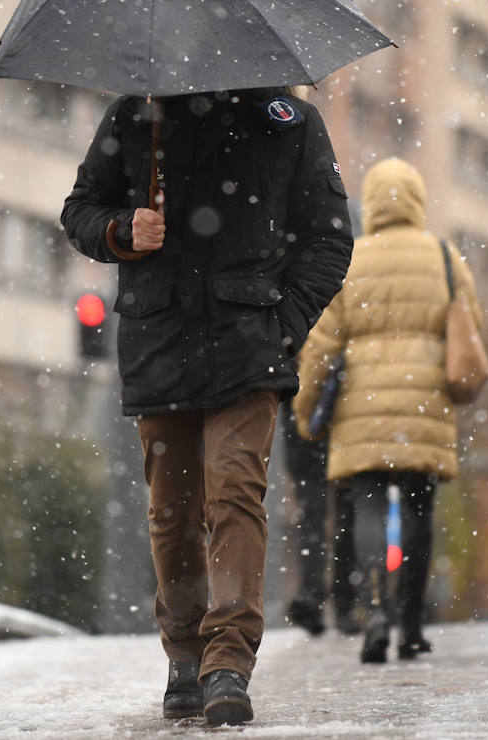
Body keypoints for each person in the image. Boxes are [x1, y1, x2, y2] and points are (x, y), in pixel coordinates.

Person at [60, 87, 353, 726]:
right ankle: (185, 656)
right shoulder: (137, 114)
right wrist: (120, 229)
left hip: (248, 348)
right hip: (158, 341)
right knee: (172, 512)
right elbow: (79, 209)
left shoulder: (288, 121)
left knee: (235, 493)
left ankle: (228, 661)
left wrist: (283, 325)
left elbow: (329, 240)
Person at [292, 157, 483, 664]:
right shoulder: (444, 257)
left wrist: (305, 407)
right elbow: (470, 325)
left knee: (369, 507)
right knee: (420, 513)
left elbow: (322, 345)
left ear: (372, 204)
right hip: (424, 406)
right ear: (417, 201)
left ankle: (375, 611)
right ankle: (412, 625)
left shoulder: (350, 260)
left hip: (364, 410)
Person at [279, 398, 360, 636]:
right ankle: (343, 602)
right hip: (344, 421)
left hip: (304, 423)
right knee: (347, 514)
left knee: (313, 517)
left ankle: (312, 595)